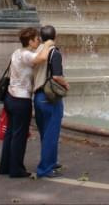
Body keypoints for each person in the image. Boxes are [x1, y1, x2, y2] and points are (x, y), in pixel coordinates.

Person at [0, 27, 54, 178]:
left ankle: (5, 166)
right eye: (37, 39)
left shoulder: (17, 52)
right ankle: (16, 169)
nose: (38, 41)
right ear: (30, 41)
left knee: (10, 133)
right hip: (21, 100)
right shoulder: (27, 55)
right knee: (19, 135)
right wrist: (49, 44)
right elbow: (41, 59)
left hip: (10, 98)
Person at [33, 25, 69, 179]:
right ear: (55, 37)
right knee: (51, 134)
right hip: (50, 97)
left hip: (38, 96)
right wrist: (66, 84)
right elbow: (56, 76)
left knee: (45, 132)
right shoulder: (54, 52)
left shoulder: (36, 52)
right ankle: (45, 169)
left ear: (40, 38)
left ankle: (51, 161)